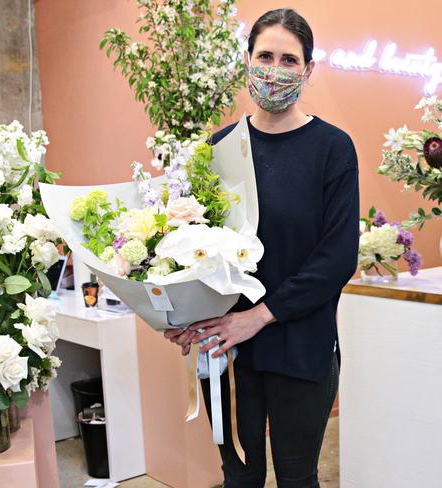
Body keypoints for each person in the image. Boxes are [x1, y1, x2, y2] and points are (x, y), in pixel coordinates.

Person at [164, 8, 360, 487]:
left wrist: (260, 315)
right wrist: (180, 314)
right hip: (228, 349)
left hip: (300, 341)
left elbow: (337, 258)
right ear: (247, 61)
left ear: (308, 70)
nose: (275, 69)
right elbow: (195, 250)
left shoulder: (332, 148)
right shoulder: (220, 148)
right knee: (239, 476)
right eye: (265, 55)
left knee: (297, 476)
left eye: (289, 60)